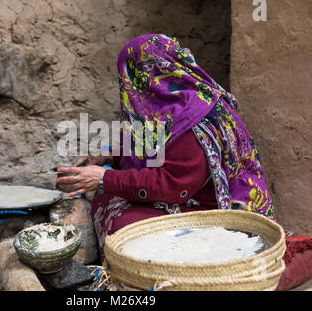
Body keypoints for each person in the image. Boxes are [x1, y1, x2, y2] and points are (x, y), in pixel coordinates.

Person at [57, 34, 274, 253]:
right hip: (186, 193)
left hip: (214, 210)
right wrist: (110, 156)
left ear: (145, 75)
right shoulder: (166, 107)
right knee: (108, 198)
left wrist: (103, 177)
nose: (126, 86)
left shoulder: (195, 116)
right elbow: (155, 154)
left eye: (128, 76)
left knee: (125, 227)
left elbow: (173, 184)